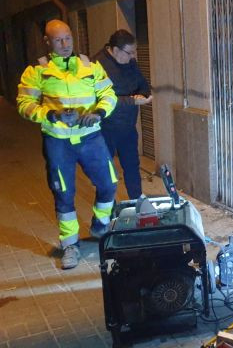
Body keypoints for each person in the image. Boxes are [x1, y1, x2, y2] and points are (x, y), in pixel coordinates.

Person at [17, 19, 118, 270]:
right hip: (58, 142)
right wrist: (51, 115)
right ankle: (70, 245)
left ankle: (100, 226)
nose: (65, 44)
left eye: (68, 38)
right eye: (58, 39)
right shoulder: (36, 71)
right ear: (47, 41)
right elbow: (24, 104)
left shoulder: (90, 66)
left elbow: (109, 94)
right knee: (64, 194)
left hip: (91, 138)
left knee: (109, 184)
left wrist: (99, 113)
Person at [93, 29, 151, 200]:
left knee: (132, 166)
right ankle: (106, 207)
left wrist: (143, 94)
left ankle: (137, 201)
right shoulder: (97, 65)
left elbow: (143, 84)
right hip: (106, 129)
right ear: (116, 50)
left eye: (135, 52)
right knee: (105, 170)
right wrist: (132, 101)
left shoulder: (130, 62)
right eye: (130, 52)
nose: (133, 57)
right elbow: (100, 101)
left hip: (128, 127)